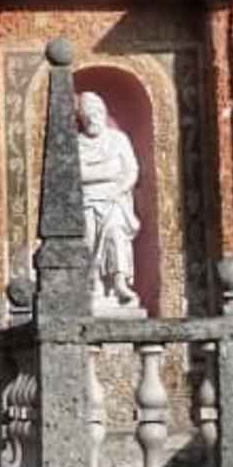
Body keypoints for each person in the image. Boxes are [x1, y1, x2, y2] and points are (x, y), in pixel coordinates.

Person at [76, 92, 142, 311]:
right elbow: (77, 174)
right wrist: (110, 171)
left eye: (95, 114)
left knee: (116, 233)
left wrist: (118, 188)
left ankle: (119, 282)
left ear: (103, 114)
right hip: (87, 200)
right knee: (89, 240)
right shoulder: (77, 143)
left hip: (115, 198)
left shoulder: (118, 139)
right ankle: (93, 282)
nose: (92, 119)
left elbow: (131, 171)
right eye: (87, 116)